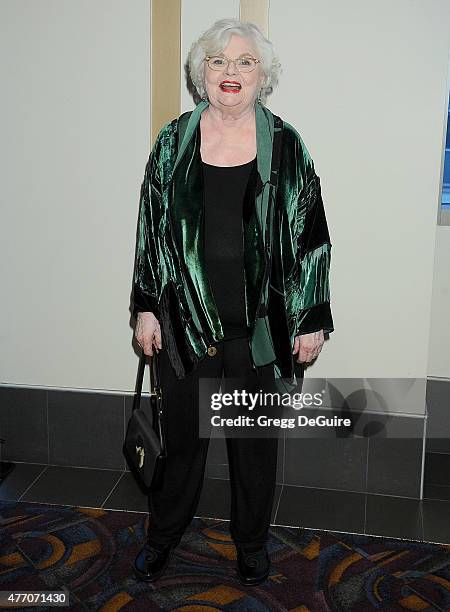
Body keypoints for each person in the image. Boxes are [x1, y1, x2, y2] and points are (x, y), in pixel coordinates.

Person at [131, 18, 334, 586]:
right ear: (201, 74)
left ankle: (250, 544)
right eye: (218, 61)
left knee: (253, 446)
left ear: (262, 75)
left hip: (260, 330)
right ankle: (162, 539)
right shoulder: (174, 141)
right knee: (183, 445)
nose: (230, 72)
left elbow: (312, 235)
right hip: (186, 322)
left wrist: (311, 317)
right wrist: (147, 307)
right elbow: (150, 229)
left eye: (244, 62)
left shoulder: (287, 144)